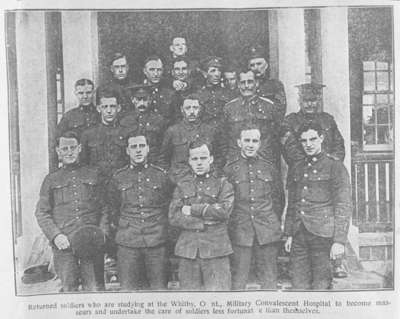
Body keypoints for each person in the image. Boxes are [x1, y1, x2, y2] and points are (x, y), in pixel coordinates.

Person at [35, 131, 110, 292]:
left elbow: (105, 208)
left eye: (73, 148)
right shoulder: (51, 180)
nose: (69, 152)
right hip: (64, 246)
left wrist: (102, 234)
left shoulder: (93, 175)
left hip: (91, 244)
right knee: (69, 289)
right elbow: (42, 213)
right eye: (65, 148)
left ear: (80, 148)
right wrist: (56, 236)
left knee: (95, 290)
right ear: (58, 151)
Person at [284, 122, 351, 290]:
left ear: (321, 138)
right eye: (304, 140)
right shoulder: (297, 167)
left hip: (322, 235)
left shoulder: (335, 166)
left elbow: (343, 205)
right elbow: (293, 203)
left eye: (313, 139)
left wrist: (339, 241)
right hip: (299, 233)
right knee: (298, 284)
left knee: (321, 285)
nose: (308, 144)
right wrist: (289, 234)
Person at [108, 133, 171, 290]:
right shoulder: (118, 177)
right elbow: (113, 209)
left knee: (159, 291)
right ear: (127, 151)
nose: (138, 150)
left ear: (148, 149)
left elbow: (167, 206)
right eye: (134, 147)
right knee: (128, 292)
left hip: (156, 241)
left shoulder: (161, 176)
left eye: (141, 146)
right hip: (128, 242)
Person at [224, 125, 284, 290]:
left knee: (269, 279)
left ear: (260, 144)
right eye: (247, 140)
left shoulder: (270, 167)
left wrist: (271, 222)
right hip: (240, 231)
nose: (250, 144)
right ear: (239, 142)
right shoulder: (230, 169)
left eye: (255, 141)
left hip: (266, 231)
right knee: (238, 280)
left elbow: (278, 200)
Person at [169, 140, 234, 290]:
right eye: (195, 159)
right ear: (189, 161)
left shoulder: (223, 184)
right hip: (188, 252)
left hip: (216, 251)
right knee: (190, 303)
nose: (199, 162)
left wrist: (192, 210)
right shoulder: (182, 185)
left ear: (211, 159)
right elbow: (174, 216)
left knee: (219, 301)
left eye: (203, 158)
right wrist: (203, 222)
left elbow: (224, 211)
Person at [159, 94, 222, 184]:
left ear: (200, 109)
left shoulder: (210, 130)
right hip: (179, 181)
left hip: (205, 181)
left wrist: (212, 175)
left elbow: (218, 157)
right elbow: (163, 159)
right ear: (182, 110)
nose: (192, 112)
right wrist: (171, 178)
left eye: (195, 108)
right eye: (188, 108)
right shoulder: (173, 131)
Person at [223, 68, 280, 168]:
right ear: (238, 85)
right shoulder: (229, 108)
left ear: (257, 83)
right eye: (242, 82)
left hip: (264, 162)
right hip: (237, 164)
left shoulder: (269, 107)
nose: (246, 86)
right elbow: (225, 140)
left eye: (250, 82)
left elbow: (275, 139)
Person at [281, 83, 345, 170]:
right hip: (301, 172)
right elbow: (290, 151)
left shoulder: (328, 120)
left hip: (326, 171)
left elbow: (339, 146)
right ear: (299, 101)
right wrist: (313, 166)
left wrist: (330, 164)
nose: (310, 104)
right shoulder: (290, 122)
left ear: (319, 101)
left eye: (313, 100)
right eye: (306, 101)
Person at [80, 86, 131, 179]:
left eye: (112, 106)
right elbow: (83, 163)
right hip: (97, 183)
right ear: (99, 109)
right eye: (105, 107)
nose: (109, 111)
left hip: (120, 182)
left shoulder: (126, 133)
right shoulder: (88, 134)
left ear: (118, 108)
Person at [120, 84, 167, 164]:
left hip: (153, 163)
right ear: (132, 100)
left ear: (150, 100)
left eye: (145, 99)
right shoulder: (124, 120)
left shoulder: (158, 120)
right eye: (138, 99)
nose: (142, 103)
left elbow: (163, 148)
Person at [247, 45, 287, 121]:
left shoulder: (275, 85)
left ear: (266, 66)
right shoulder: (245, 86)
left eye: (259, 64)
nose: (256, 68)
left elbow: (280, 111)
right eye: (252, 65)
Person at [196, 56, 231, 129]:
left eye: (219, 70)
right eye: (213, 71)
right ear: (205, 74)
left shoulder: (227, 92)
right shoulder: (198, 94)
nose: (217, 74)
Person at [142, 55, 175, 126]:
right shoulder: (138, 91)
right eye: (152, 70)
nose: (156, 74)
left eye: (159, 70)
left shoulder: (170, 92)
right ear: (144, 71)